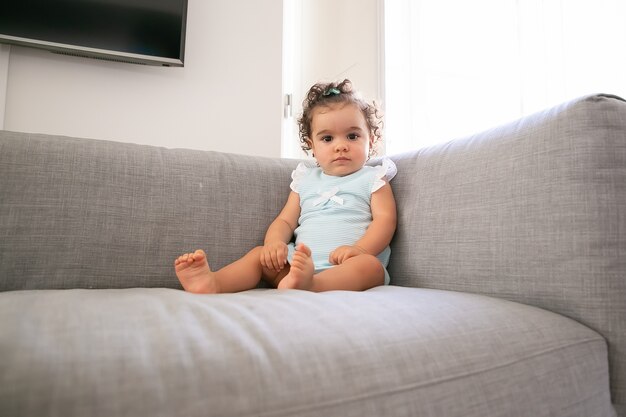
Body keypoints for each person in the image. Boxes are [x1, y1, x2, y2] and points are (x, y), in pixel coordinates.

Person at [174, 79, 397, 293]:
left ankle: (314, 285)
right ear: (312, 146)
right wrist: (274, 243)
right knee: (259, 256)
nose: (341, 146)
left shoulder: (373, 178)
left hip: (347, 267)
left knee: (370, 267)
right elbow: (285, 221)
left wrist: (359, 250)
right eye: (327, 139)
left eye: (352, 136)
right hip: (296, 266)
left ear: (371, 140)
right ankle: (214, 282)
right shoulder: (305, 179)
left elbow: (385, 220)